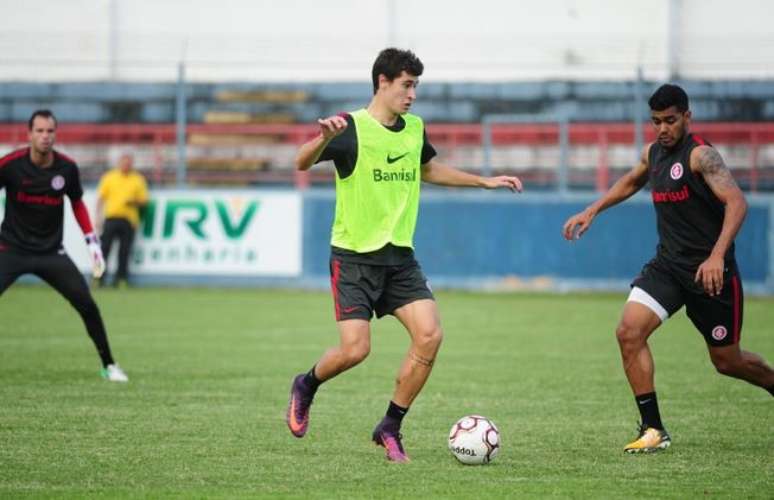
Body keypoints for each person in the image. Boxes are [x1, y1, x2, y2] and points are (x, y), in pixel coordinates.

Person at [286, 48, 522, 463]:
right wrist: (323, 137)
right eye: (406, 85)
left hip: (399, 259)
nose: (412, 95)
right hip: (354, 257)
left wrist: (483, 181)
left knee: (430, 334)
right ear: (383, 82)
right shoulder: (351, 128)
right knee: (356, 350)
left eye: (415, 86)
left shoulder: (413, 128)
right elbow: (301, 163)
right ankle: (306, 384)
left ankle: (390, 426)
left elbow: (427, 169)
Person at [562, 84, 773, 453]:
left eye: (670, 120)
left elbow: (736, 203)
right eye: (656, 121)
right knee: (629, 332)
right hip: (668, 268)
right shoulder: (653, 153)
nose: (663, 129)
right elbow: (631, 180)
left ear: (687, 117)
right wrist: (592, 209)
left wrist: (717, 255)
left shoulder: (702, 157)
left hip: (710, 275)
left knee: (728, 361)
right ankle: (653, 429)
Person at [0, 109, 128, 382]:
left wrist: (91, 241)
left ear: (55, 134)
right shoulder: (10, 165)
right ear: (29, 134)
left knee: (87, 305)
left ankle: (109, 365)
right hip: (11, 250)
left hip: (51, 253)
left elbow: (78, 203)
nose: (45, 136)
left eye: (50, 131)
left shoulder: (66, 168)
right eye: (40, 131)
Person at [96, 152, 148, 287]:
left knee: (124, 251)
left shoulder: (138, 179)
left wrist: (134, 201)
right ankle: (99, 278)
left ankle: (121, 279)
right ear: (119, 163)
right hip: (111, 218)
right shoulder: (109, 177)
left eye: (129, 163)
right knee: (104, 249)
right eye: (124, 162)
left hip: (129, 220)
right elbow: (101, 199)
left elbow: (144, 201)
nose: (126, 165)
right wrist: (98, 218)